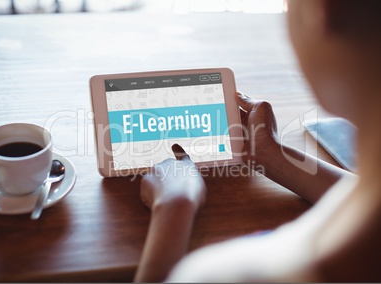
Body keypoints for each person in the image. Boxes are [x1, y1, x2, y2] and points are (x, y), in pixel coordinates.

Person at [134, 0, 381, 282]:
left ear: (322, 8)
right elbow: (359, 197)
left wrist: (175, 208)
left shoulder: (230, 275)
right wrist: (273, 156)